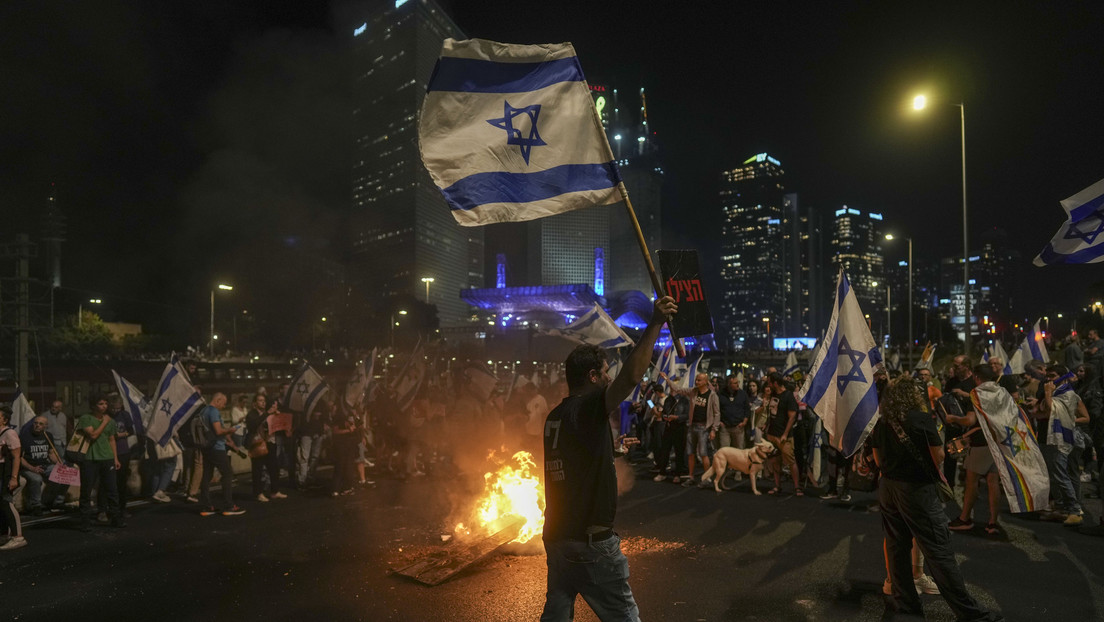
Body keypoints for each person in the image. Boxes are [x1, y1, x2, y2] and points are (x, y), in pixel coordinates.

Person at [540, 295, 677, 622]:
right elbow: (630, 379)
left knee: (557, 614)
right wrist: (655, 322)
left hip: (557, 539)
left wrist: (612, 450)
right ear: (590, 376)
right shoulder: (588, 406)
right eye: (604, 372)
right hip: (589, 544)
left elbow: (577, 459)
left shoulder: (555, 415)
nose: (607, 378)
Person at [871, 376, 1003, 621]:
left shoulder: (882, 422)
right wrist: (955, 448)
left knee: (897, 545)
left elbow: (879, 461)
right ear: (914, 396)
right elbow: (939, 456)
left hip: (888, 488)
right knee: (938, 550)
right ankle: (970, 614)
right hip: (917, 490)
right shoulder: (922, 420)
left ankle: (906, 606)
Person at [947, 365, 1003, 535]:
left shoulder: (977, 394)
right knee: (993, 483)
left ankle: (964, 519)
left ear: (977, 378)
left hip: (981, 442)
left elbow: (970, 420)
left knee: (971, 481)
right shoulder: (1002, 392)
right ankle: (993, 522)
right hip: (998, 442)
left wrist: (953, 418)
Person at [75, 395, 125, 531]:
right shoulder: (86, 418)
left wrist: (115, 458)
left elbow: (112, 440)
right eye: (100, 403)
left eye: (105, 404)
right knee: (86, 490)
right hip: (90, 459)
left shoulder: (111, 421)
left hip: (107, 458)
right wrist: (104, 422)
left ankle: (116, 518)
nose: (104, 406)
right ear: (94, 406)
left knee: (112, 490)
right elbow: (92, 435)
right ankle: (85, 522)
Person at [666, 372, 719, 486]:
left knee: (703, 453)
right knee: (690, 453)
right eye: (696, 380)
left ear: (705, 381)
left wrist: (714, 429)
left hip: (704, 427)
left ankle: (707, 478)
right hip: (692, 426)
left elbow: (717, 413)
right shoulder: (693, 392)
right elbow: (679, 389)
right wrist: (667, 379)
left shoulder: (712, 395)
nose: (697, 382)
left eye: (699, 380)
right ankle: (691, 477)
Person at [197, 392, 246, 516]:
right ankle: (229, 506)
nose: (223, 407)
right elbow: (218, 431)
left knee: (207, 476)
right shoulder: (213, 412)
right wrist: (231, 429)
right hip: (216, 448)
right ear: (218, 400)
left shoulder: (203, 411)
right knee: (227, 474)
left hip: (206, 447)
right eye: (223, 403)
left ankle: (206, 507)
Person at [763, 372, 802, 495]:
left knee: (791, 461)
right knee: (775, 460)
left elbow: (792, 417)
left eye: (770, 382)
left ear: (775, 383)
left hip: (784, 436)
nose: (768, 385)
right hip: (772, 433)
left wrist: (785, 434)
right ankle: (777, 485)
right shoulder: (773, 394)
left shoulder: (788, 396)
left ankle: (797, 487)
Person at [18, 416, 62, 515]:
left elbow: (51, 453)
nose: (37, 425)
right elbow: (19, 458)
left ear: (46, 426)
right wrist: (32, 468)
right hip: (28, 467)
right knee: (36, 479)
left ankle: (52, 502)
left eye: (41, 424)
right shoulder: (24, 436)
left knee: (61, 474)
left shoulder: (48, 435)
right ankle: (36, 506)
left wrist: (59, 464)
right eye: (35, 423)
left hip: (45, 465)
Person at [1, 405, 27, 550]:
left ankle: (18, 537)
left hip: (5, 472)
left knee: (6, 502)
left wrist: (14, 478)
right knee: (1, 503)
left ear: (5, 420)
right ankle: (5, 534)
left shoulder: (9, 433)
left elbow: (16, 457)